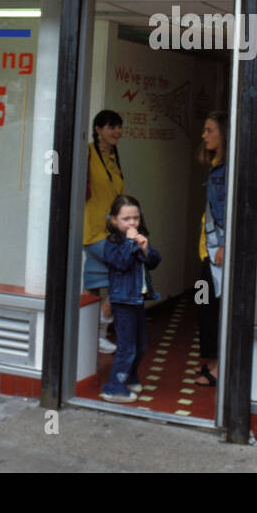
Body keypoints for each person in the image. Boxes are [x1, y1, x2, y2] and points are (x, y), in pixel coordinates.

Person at [99, 195, 160, 403]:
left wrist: (145, 248)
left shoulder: (136, 240)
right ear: (114, 220)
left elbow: (154, 261)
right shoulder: (112, 244)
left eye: (136, 218)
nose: (132, 223)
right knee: (127, 346)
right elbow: (121, 262)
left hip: (137, 300)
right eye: (126, 219)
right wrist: (130, 242)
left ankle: (130, 376)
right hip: (122, 301)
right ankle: (114, 387)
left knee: (141, 344)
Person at [83, 109, 125, 354]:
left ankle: (90, 334)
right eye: (111, 126)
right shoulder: (87, 152)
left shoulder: (113, 156)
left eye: (119, 127)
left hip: (110, 231)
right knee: (126, 272)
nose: (117, 131)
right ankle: (98, 330)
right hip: (92, 229)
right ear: (98, 130)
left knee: (93, 278)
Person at [194, 112, 227, 387]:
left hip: (218, 251)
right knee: (203, 301)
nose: (204, 135)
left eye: (209, 130)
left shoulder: (224, 171)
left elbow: (230, 210)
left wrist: (227, 244)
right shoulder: (216, 168)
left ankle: (216, 365)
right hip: (208, 250)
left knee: (210, 306)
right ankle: (210, 358)